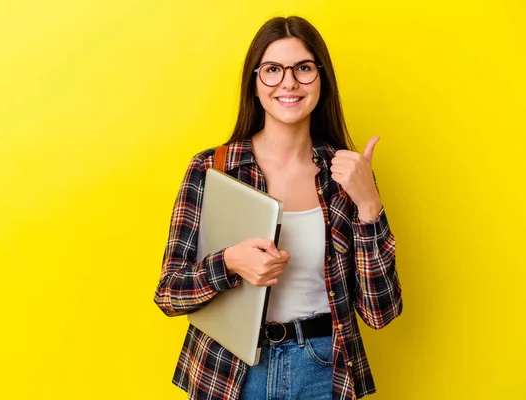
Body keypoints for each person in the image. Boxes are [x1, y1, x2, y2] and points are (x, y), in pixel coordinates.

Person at [154, 15, 403, 400]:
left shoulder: (346, 176)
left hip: (324, 369)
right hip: (230, 370)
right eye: (272, 69)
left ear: (322, 79)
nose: (289, 82)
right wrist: (229, 264)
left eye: (303, 68)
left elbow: (379, 313)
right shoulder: (214, 169)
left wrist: (370, 204)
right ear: (254, 83)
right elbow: (169, 294)